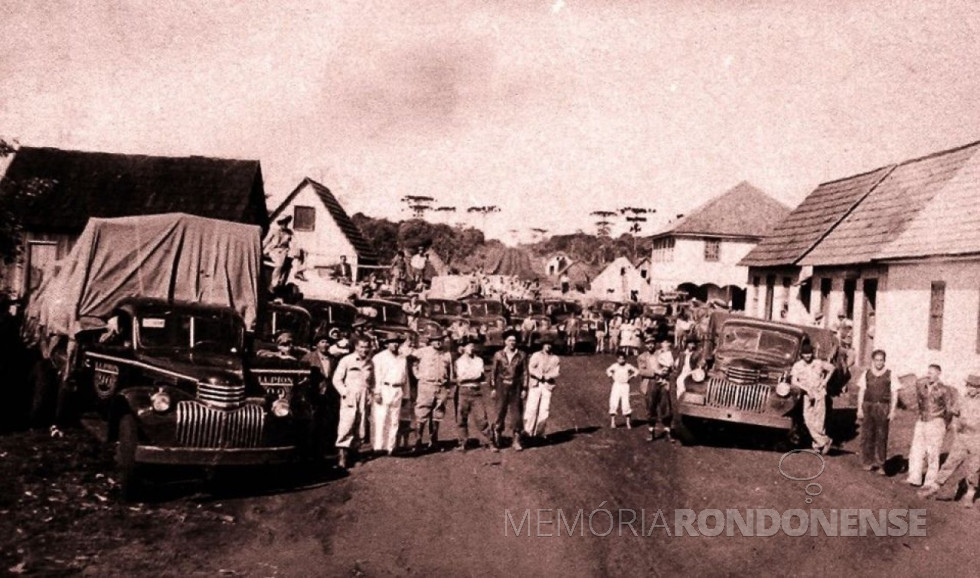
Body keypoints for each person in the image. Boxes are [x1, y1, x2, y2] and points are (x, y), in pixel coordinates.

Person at [919, 374, 980, 504]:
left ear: (978, 388)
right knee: (951, 462)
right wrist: (955, 427)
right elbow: (955, 413)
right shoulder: (962, 399)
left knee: (974, 467)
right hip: (962, 436)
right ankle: (935, 487)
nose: (969, 388)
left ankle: (970, 494)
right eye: (968, 385)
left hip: (977, 438)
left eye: (972, 386)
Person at [906, 364, 957, 488]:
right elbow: (918, 401)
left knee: (933, 452)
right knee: (916, 450)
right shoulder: (922, 386)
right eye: (928, 372)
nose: (929, 375)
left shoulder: (944, 389)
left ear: (939, 374)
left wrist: (945, 424)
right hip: (922, 421)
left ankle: (929, 481)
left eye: (932, 373)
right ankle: (914, 477)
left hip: (936, 422)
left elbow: (949, 409)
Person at [331, 337, 375, 469]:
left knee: (360, 427)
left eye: (366, 347)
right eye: (361, 347)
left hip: (363, 396)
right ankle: (342, 458)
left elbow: (372, 381)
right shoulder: (347, 360)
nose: (364, 350)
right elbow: (336, 379)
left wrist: (371, 394)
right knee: (346, 425)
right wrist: (345, 393)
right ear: (356, 347)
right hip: (349, 396)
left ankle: (355, 455)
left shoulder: (370, 363)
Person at [855, 349, 900, 474]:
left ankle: (881, 464)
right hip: (868, 406)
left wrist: (892, 411)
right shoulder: (867, 373)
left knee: (881, 435)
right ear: (873, 361)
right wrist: (859, 409)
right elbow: (861, 391)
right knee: (867, 434)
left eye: (881, 360)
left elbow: (894, 393)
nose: (879, 362)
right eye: (877, 360)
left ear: (884, 361)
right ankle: (867, 462)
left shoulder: (890, 374)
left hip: (883, 407)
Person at [412, 327, 454, 452]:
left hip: (441, 386)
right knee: (421, 414)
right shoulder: (422, 352)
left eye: (440, 339)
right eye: (435, 340)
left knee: (437, 414)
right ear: (430, 341)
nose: (438, 342)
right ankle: (418, 442)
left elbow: (449, 371)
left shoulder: (446, 354)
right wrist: (417, 375)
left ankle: (433, 441)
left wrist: (448, 387)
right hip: (426, 385)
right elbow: (411, 362)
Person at [790, 342, 835, 455]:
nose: (808, 356)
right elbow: (794, 381)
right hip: (807, 394)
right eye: (805, 354)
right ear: (801, 355)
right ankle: (824, 440)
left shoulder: (818, 363)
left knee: (819, 420)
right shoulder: (798, 366)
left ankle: (817, 445)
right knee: (808, 419)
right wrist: (806, 389)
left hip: (819, 392)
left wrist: (825, 382)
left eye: (810, 354)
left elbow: (832, 368)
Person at [489, 331, 529, 451]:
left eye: (514, 341)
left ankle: (516, 439)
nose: (512, 343)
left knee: (516, 413)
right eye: (510, 340)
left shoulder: (521, 355)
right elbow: (493, 373)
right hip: (502, 386)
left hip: (516, 386)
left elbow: (525, 373)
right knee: (499, 412)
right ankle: (496, 438)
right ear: (505, 341)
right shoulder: (499, 355)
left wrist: (524, 388)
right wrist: (493, 388)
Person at [454, 336, 493, 452]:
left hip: (476, 392)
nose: (471, 348)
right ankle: (462, 442)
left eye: (473, 345)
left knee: (482, 418)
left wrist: (468, 375)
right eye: (468, 346)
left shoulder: (479, 360)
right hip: (463, 392)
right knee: (461, 418)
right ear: (463, 348)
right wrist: (470, 376)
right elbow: (461, 378)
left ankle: (490, 441)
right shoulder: (459, 361)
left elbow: (479, 375)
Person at [371, 336, 409, 455]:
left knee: (394, 420)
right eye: (392, 342)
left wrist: (406, 395)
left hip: (397, 389)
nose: (395, 345)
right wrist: (377, 392)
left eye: (397, 342)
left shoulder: (402, 358)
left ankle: (390, 447)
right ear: (386, 344)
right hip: (384, 388)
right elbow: (376, 376)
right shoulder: (379, 357)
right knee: (381, 418)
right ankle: (378, 447)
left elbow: (405, 377)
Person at [303, 333, 337, 459]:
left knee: (328, 421)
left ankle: (326, 449)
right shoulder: (308, 358)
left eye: (327, 342)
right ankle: (312, 450)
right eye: (322, 342)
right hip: (313, 394)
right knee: (313, 422)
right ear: (317, 344)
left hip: (329, 395)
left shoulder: (333, 359)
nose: (325, 345)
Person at [524, 336, 561, 440]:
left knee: (544, 409)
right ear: (542, 345)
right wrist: (540, 375)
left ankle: (540, 433)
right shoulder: (536, 355)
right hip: (536, 384)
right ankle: (527, 431)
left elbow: (556, 372)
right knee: (532, 408)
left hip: (547, 385)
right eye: (546, 344)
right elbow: (531, 368)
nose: (548, 347)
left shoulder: (555, 358)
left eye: (550, 345)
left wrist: (548, 376)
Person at [607, 351, 638, 429]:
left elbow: (636, 371)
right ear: (617, 359)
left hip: (625, 385)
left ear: (625, 359)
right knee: (614, 401)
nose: (621, 360)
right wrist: (612, 376)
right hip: (617, 385)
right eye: (619, 359)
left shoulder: (628, 366)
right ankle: (613, 422)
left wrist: (631, 377)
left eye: (623, 359)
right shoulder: (615, 366)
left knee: (626, 402)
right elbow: (608, 371)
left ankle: (628, 423)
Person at [264, 215, 294, 291]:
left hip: (284, 251)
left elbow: (294, 242)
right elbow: (267, 240)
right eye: (283, 223)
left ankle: (281, 283)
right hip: (274, 250)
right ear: (280, 223)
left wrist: (293, 250)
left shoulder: (289, 232)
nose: (285, 225)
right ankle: (273, 284)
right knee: (279, 264)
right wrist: (260, 248)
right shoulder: (274, 230)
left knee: (288, 264)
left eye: (286, 223)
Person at [673, 334, 702, 401]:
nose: (692, 345)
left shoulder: (695, 354)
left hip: (691, 372)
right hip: (683, 372)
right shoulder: (682, 354)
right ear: (687, 344)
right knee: (680, 381)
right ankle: (679, 399)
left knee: (684, 381)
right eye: (690, 343)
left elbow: (698, 364)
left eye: (693, 344)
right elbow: (677, 364)